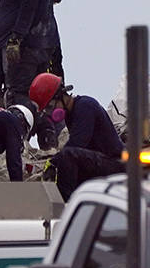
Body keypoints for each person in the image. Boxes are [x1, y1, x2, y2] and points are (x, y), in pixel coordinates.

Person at [29, 73, 124, 201]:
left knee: (68, 156)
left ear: (61, 96)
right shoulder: (71, 114)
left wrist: (53, 161)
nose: (51, 113)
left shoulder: (85, 106)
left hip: (115, 164)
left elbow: (77, 144)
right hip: (98, 163)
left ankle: (65, 206)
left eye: (51, 107)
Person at [0, 0, 63, 108]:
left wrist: (59, 95)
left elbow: (57, 62)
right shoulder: (11, 25)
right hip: (16, 94)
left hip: (45, 97)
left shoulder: (49, 28)